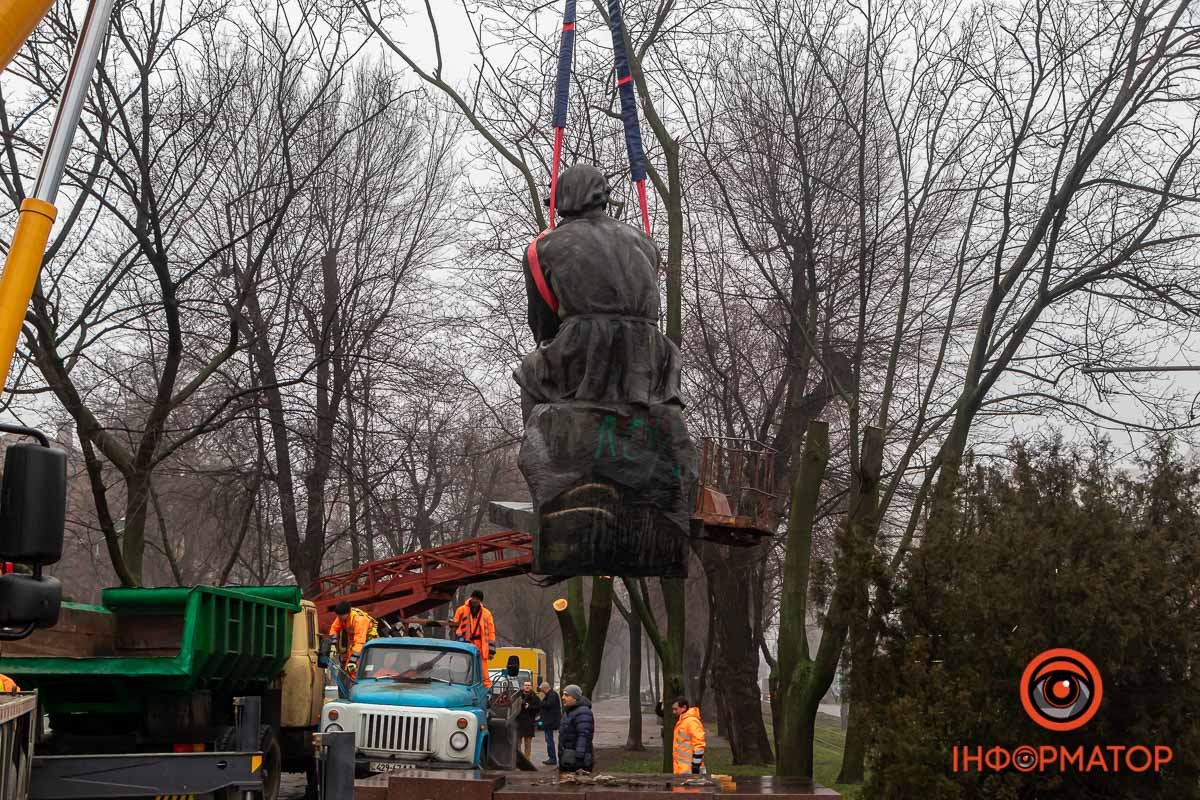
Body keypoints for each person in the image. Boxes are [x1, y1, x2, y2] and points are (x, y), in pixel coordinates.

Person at [515, 164, 683, 422]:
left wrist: (553, 346)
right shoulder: (644, 241)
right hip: (650, 352)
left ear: (563, 200)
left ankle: (543, 449)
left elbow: (542, 324)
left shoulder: (543, 247)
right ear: (602, 197)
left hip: (584, 346)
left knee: (530, 372)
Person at [452, 590, 497, 687]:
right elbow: (454, 625)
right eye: (474, 598)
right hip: (465, 643)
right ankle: (462, 686)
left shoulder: (487, 613)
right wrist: (457, 639)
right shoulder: (461, 610)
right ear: (470, 597)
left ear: (481, 601)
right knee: (464, 668)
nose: (475, 600)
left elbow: (491, 632)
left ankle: (486, 690)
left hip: (481, 645)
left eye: (477, 599)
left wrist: (491, 651)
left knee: (483, 670)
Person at [328, 601, 377, 674]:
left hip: (368, 641)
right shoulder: (341, 617)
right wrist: (333, 645)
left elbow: (359, 642)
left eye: (340, 616)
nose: (339, 619)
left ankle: (355, 680)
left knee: (356, 665)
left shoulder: (359, 620)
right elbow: (334, 628)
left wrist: (352, 661)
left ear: (347, 614)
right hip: (353, 641)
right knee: (348, 664)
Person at [557, 684, 594, 773]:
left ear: (575, 697)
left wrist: (579, 760)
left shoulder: (583, 712)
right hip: (568, 758)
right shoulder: (569, 711)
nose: (563, 697)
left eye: (566, 695)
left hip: (576, 762)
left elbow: (584, 736)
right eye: (563, 694)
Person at [670, 697, 706, 775]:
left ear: (684, 708)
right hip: (682, 768)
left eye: (676, 709)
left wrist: (696, 766)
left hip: (690, 769)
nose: (674, 712)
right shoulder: (682, 721)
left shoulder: (691, 721)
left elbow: (699, 745)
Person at [515, 680, 542, 762]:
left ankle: (527, 760)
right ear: (523, 686)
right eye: (526, 685)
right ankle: (518, 760)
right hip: (519, 723)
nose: (527, 686)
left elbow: (538, 709)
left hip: (529, 723)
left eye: (529, 685)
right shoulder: (518, 696)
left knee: (528, 744)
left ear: (531, 687)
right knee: (517, 744)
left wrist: (529, 707)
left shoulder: (535, 697)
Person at [538, 681, 561, 766]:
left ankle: (552, 758)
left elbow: (548, 705)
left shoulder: (552, 695)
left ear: (545, 688)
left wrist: (540, 702)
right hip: (549, 721)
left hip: (550, 722)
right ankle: (551, 757)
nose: (541, 691)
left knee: (549, 740)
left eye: (541, 689)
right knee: (549, 740)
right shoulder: (551, 695)